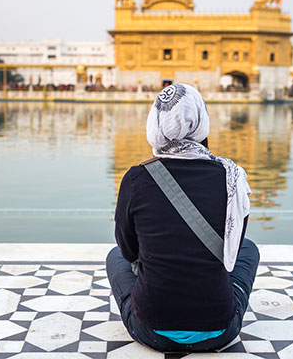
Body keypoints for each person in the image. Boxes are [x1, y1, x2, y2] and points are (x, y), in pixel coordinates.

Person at [106, 83, 260, 352]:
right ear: (200, 120)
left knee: (115, 256)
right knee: (248, 249)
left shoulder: (136, 178)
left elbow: (129, 251)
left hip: (150, 329)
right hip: (220, 330)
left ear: (155, 123)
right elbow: (231, 250)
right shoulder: (231, 178)